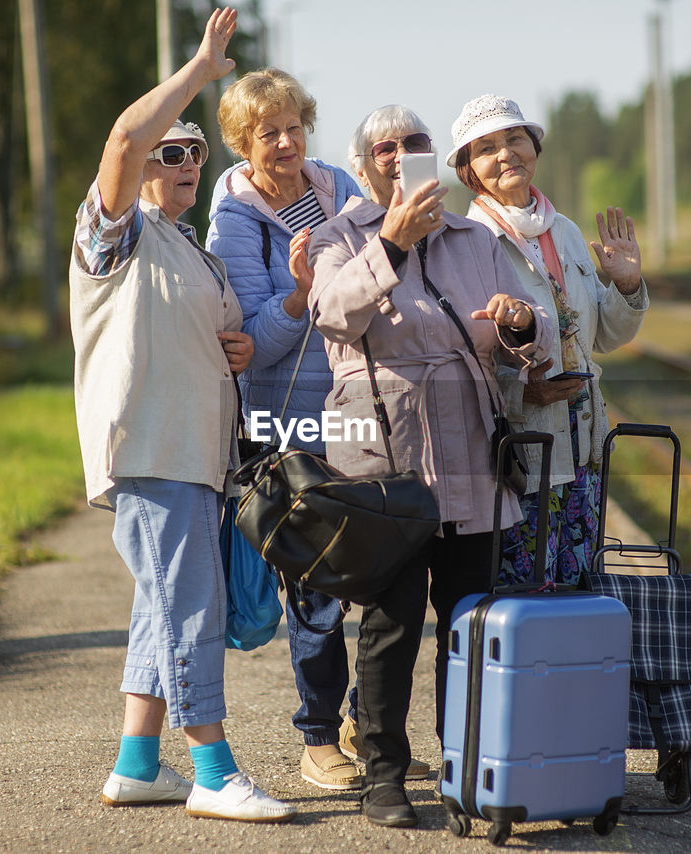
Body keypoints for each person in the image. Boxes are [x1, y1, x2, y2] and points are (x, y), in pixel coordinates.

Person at [68, 7, 295, 823]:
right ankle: (213, 769)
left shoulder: (190, 247)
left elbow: (212, 339)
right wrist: (202, 70)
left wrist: (235, 351)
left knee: (158, 607)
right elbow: (125, 143)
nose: (186, 160)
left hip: (197, 456)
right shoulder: (115, 236)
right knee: (189, 609)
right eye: (174, 151)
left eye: (196, 151)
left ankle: (137, 763)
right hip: (153, 450)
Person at [307, 104, 553, 828]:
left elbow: (521, 339)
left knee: (469, 619)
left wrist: (518, 325)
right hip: (384, 458)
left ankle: (462, 766)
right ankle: (383, 776)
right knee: (389, 623)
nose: (399, 154)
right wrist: (389, 242)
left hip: (469, 449)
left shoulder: (472, 237)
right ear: (362, 167)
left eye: (414, 143)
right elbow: (330, 314)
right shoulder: (336, 235)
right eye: (384, 147)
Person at [205, 68, 429, 791]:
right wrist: (302, 297)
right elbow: (255, 343)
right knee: (316, 588)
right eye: (268, 132)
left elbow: (383, 274)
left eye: (295, 125)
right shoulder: (234, 219)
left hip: (362, 415)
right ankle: (317, 736)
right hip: (287, 425)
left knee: (380, 576)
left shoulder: (337, 184)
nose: (286, 141)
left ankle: (372, 728)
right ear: (243, 144)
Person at [447, 94, 648, 588]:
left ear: (534, 146)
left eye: (515, 138)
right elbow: (458, 354)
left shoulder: (566, 231)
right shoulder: (467, 240)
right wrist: (522, 390)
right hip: (519, 456)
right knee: (525, 593)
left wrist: (625, 285)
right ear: (469, 171)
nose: (506, 154)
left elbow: (603, 335)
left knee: (578, 591)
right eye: (487, 147)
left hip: (584, 449)